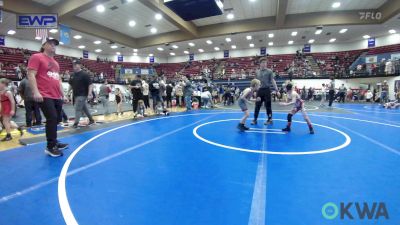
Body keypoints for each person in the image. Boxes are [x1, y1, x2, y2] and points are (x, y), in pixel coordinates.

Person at [27, 38, 68, 157]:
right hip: (44, 94)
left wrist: (63, 95)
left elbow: (58, 80)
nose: (54, 46)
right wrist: (36, 92)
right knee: (52, 118)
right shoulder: (37, 57)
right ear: (44, 45)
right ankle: (50, 147)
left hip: (56, 95)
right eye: (51, 44)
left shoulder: (56, 62)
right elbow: (31, 74)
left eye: (55, 44)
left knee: (57, 119)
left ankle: (55, 142)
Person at [252, 58, 279, 125]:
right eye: (263, 62)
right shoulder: (257, 72)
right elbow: (255, 82)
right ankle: (255, 119)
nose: (264, 64)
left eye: (265, 62)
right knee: (257, 105)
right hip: (259, 90)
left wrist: (277, 90)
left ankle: (270, 119)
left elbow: (272, 81)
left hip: (267, 90)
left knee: (268, 106)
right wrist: (254, 91)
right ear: (260, 63)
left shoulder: (269, 71)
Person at [68, 60, 95, 129]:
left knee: (77, 109)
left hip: (82, 95)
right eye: (74, 65)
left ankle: (75, 124)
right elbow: (71, 85)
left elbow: (90, 84)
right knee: (84, 108)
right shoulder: (72, 75)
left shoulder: (85, 74)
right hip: (75, 94)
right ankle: (91, 120)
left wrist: (89, 93)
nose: (74, 66)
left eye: (76, 64)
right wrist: (68, 93)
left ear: (80, 65)